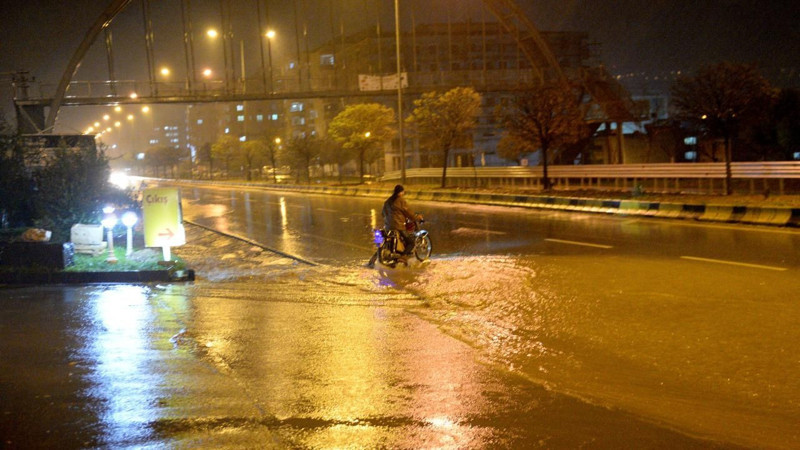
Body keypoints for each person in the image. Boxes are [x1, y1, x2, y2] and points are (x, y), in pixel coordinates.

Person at [382, 185, 421, 258]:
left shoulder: (388, 201)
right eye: (403, 192)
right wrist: (416, 217)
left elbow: (383, 213)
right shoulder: (400, 201)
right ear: (400, 192)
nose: (403, 193)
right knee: (411, 242)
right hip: (398, 226)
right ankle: (403, 256)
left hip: (388, 227)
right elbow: (408, 212)